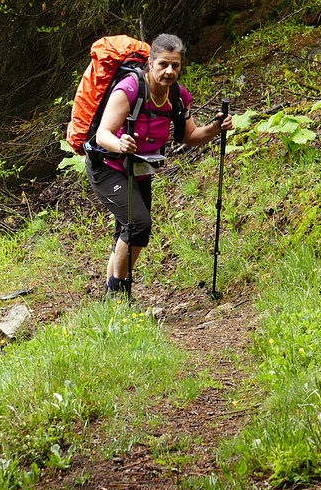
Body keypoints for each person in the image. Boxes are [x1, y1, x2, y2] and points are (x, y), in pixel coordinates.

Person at [85, 33, 233, 297]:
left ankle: (112, 295)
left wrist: (215, 128)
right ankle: (116, 291)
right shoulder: (129, 89)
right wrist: (120, 144)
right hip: (107, 166)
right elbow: (103, 134)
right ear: (150, 63)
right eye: (163, 64)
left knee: (128, 230)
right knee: (138, 225)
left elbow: (190, 136)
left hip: (139, 169)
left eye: (175, 65)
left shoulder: (177, 95)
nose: (169, 71)